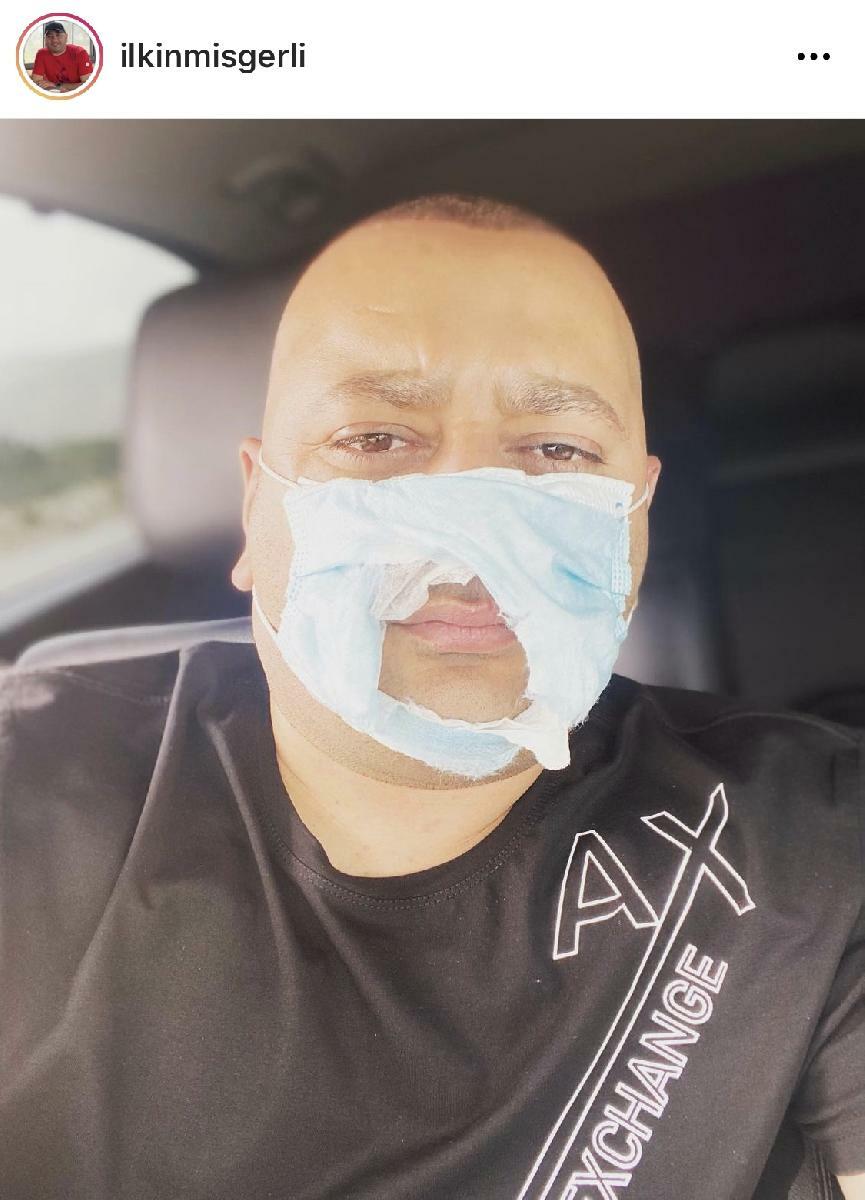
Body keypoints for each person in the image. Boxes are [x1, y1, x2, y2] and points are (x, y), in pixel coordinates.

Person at [0, 194, 862, 1200]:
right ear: (256, 505)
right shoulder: (32, 790)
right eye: (375, 438)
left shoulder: (815, 836)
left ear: (636, 515)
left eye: (558, 452)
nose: (470, 536)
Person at [29, 21, 93, 93]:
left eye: (58, 35)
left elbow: (88, 84)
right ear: (45, 40)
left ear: (66, 37)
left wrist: (57, 86)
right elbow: (36, 81)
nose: (54, 40)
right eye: (49, 36)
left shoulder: (80, 53)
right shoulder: (41, 54)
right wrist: (56, 89)